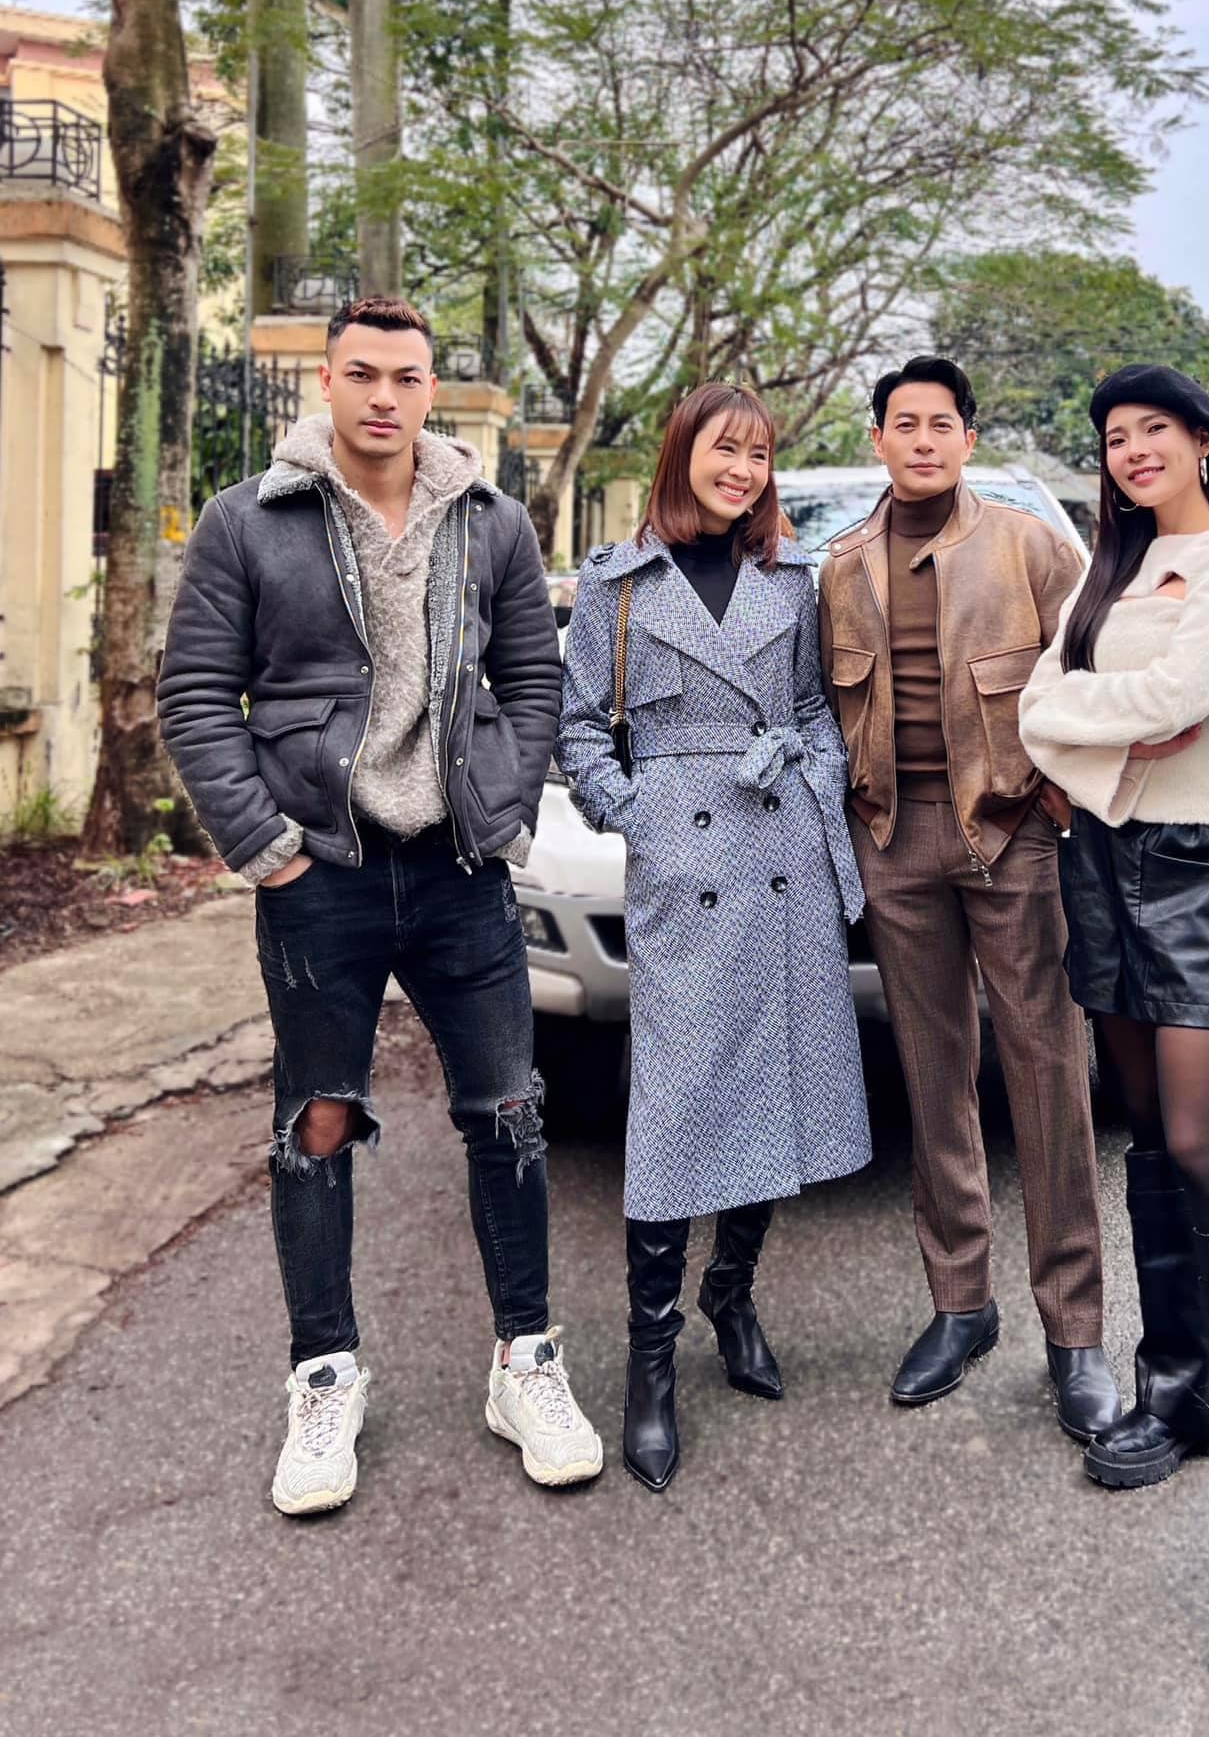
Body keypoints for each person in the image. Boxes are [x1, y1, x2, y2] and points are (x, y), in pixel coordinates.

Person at [157, 294, 602, 1513]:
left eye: (406, 377)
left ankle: (524, 1361)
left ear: (429, 390)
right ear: (326, 381)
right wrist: (266, 847)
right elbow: (195, 694)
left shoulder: (489, 520)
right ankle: (324, 1375)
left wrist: (502, 809)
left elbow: (533, 676)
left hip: (458, 870)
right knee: (316, 1121)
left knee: (508, 1110)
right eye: (361, 373)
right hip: (323, 874)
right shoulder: (249, 520)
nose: (384, 396)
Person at [1019, 361, 1209, 1681]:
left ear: (1203, 440)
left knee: (1206, 1151)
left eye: (1154, 428)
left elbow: (1167, 703)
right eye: (1113, 435)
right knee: (1146, 1137)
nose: (1131, 448)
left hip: (1196, 869)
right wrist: (1098, 725)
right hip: (1097, 863)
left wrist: (1086, 723)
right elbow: (1038, 701)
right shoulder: (1109, 564)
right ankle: (1182, 1389)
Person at [557, 382, 871, 1492]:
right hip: (684, 865)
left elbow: (817, 710)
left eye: (758, 454)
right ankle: (650, 1359)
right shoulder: (617, 585)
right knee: (678, 1101)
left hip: (781, 853)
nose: (741, 471)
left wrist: (817, 776)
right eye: (723, 450)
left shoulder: (793, 577)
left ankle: (731, 1295)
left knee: (770, 1086)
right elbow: (579, 728)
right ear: (682, 453)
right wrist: (636, 812)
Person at [817, 355, 1120, 1440]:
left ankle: (1074, 1331)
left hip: (1010, 835)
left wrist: (1055, 798)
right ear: (878, 440)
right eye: (903, 424)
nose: (922, 441)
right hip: (894, 841)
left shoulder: (1030, 545)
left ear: (967, 439)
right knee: (932, 1073)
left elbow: (1093, 668)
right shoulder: (840, 564)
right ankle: (959, 1305)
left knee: (1047, 1072)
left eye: (940, 424)